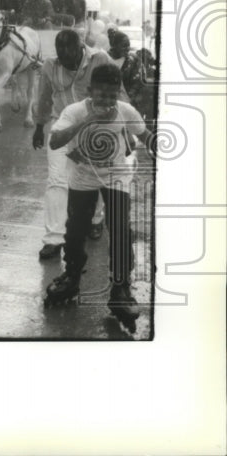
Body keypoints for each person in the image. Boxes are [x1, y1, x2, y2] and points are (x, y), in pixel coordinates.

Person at [43, 63, 152, 328]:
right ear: (91, 91)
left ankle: (121, 289)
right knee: (75, 231)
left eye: (112, 95)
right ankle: (71, 278)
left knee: (120, 231)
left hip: (117, 176)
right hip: (82, 178)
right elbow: (55, 141)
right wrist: (86, 121)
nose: (106, 100)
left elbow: (144, 134)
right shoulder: (75, 111)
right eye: (101, 95)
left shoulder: (125, 110)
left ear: (118, 94)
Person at [32, 28, 128, 259]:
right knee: (57, 180)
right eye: (59, 51)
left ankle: (96, 219)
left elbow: (120, 92)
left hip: (96, 126)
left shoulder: (100, 59)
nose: (64, 56)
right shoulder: (50, 66)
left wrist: (123, 128)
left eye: (69, 51)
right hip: (63, 126)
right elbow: (44, 97)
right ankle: (53, 238)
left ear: (80, 48)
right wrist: (39, 126)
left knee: (92, 175)